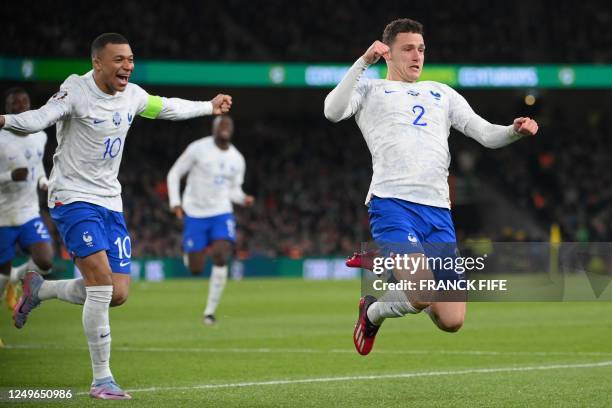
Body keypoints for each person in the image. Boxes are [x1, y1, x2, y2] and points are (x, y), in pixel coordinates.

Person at [0, 32, 232, 399]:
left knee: (117, 293)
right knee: (101, 283)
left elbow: (167, 107)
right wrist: (3, 120)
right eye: (119, 59)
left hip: (110, 200)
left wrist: (208, 106)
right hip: (72, 198)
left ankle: (39, 289)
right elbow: (38, 118)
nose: (128, 65)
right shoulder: (75, 91)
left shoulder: (134, 95)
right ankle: (102, 379)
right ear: (97, 63)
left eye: (130, 59)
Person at [324, 18, 538, 356]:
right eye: (407, 48)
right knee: (421, 292)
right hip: (392, 203)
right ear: (388, 54)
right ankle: (376, 306)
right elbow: (332, 111)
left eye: (421, 49)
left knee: (451, 319)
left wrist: (513, 130)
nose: (416, 55)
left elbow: (485, 133)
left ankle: (385, 289)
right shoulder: (369, 90)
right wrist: (363, 62)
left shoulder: (442, 93)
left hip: (438, 211)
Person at [167, 115, 253, 326]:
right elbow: (175, 173)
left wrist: (243, 199)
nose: (224, 127)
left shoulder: (237, 159)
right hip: (195, 212)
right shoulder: (198, 149)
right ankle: (191, 251)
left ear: (231, 130)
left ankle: (210, 312)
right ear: (213, 128)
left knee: (221, 255)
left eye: (228, 125)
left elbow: (233, 191)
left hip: (221, 212)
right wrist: (175, 202)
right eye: (220, 124)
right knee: (195, 268)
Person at [0, 87, 53, 310]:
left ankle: (16, 279)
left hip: (29, 212)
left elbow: (37, 165)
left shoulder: (40, 136)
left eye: (24, 102)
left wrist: (43, 181)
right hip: (2, 216)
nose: (20, 106)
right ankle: (9, 280)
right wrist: (9, 176)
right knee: (1, 277)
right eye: (15, 103)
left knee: (45, 260)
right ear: (7, 108)